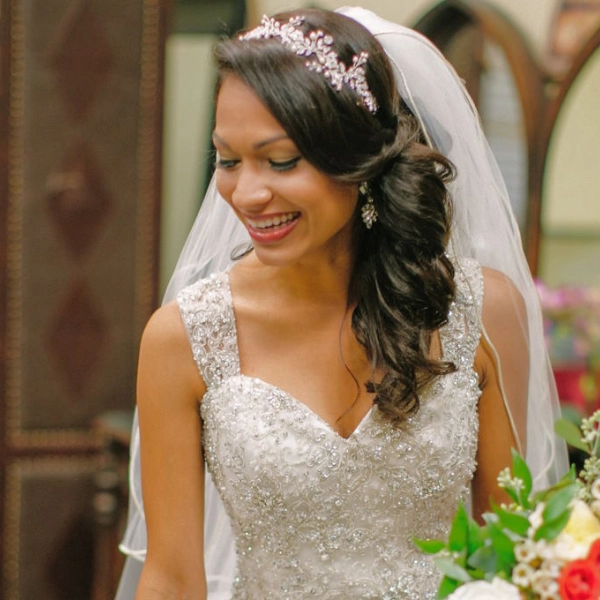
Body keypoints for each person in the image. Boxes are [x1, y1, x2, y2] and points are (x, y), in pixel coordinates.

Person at [116, 7, 568, 600]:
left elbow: (508, 557)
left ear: (360, 162)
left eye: (280, 161)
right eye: (228, 160)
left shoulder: (481, 314)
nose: (247, 193)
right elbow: (172, 579)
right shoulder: (184, 338)